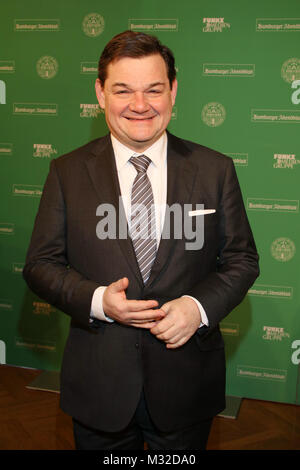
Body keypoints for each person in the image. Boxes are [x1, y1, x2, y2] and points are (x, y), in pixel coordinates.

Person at [23, 30, 259, 450]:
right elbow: (41, 264)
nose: (139, 105)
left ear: (173, 91)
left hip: (186, 383)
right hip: (100, 384)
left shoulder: (214, 169)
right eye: (123, 90)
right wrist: (98, 300)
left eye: (153, 89)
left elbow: (242, 260)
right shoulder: (66, 172)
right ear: (99, 93)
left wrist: (196, 307)